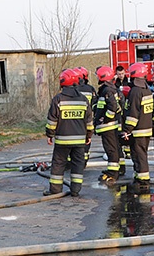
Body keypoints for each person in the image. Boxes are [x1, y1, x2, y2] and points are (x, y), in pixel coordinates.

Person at [44, 68, 94, 197]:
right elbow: (89, 121)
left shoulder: (58, 99)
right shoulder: (83, 99)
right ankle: (75, 190)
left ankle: (55, 190)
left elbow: (52, 121)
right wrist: (89, 136)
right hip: (79, 140)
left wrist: (50, 135)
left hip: (62, 140)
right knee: (78, 164)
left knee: (58, 164)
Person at [121, 61, 154, 190]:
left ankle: (143, 180)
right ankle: (139, 177)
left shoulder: (135, 92)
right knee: (142, 154)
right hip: (146, 129)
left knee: (139, 155)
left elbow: (133, 113)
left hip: (138, 130)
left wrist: (127, 130)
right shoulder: (147, 90)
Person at [93, 66, 124, 184]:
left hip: (108, 127)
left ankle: (112, 173)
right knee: (115, 148)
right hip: (112, 125)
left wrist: (105, 119)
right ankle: (119, 169)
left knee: (111, 150)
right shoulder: (112, 89)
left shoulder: (107, 90)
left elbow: (113, 107)